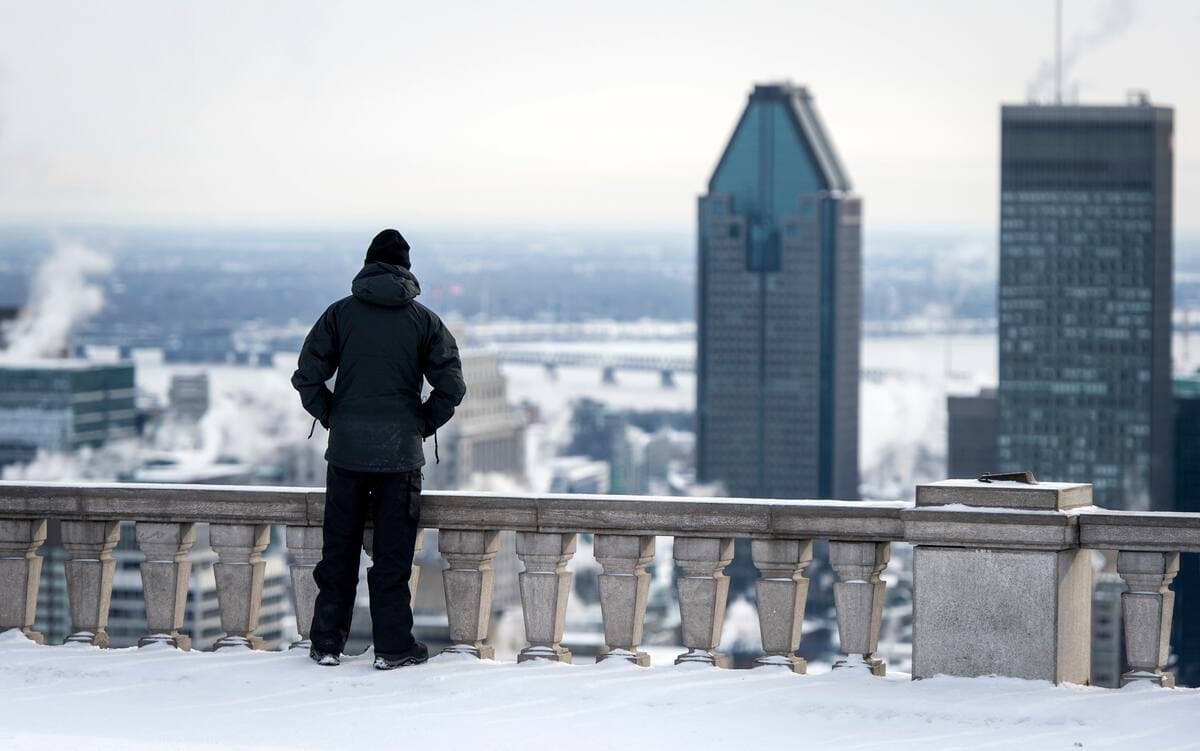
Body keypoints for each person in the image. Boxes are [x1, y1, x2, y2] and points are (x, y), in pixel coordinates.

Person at [291, 228, 465, 670]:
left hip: (346, 456)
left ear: (368, 266)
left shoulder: (339, 315)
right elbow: (452, 386)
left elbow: (308, 376)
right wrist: (420, 424)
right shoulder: (424, 321)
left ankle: (326, 643)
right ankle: (393, 647)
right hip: (400, 460)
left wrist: (335, 417)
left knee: (339, 555)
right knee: (392, 561)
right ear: (406, 269)